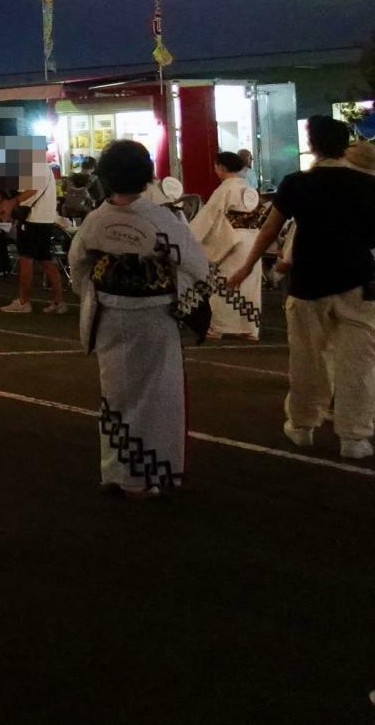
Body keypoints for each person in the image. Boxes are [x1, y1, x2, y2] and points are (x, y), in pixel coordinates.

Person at [64, 140, 215, 497]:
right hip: (154, 313)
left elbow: (78, 264)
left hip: (109, 313)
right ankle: (149, 475)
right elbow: (196, 265)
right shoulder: (162, 218)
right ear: (148, 175)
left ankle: (115, 471)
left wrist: (93, 291)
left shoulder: (96, 220)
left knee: (115, 393)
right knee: (157, 394)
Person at [226, 116, 375, 460]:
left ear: (313, 145)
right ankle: (355, 436)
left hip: (309, 280)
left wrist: (246, 267)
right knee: (360, 362)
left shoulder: (296, 184)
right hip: (359, 280)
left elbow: (269, 231)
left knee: (308, 358)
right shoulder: (369, 185)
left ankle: (303, 425)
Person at [190, 151, 263, 341]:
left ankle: (219, 327)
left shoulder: (225, 189)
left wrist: (189, 236)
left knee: (222, 282)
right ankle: (250, 329)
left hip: (231, 241)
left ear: (221, 167)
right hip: (253, 240)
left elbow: (208, 216)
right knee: (249, 285)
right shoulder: (249, 188)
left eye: (216, 167)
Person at [3, 158, 70, 314]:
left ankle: (23, 301)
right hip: (44, 221)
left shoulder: (37, 167)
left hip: (34, 221)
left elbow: (32, 190)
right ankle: (59, 301)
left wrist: (13, 201)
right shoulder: (43, 168)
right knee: (46, 260)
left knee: (26, 260)